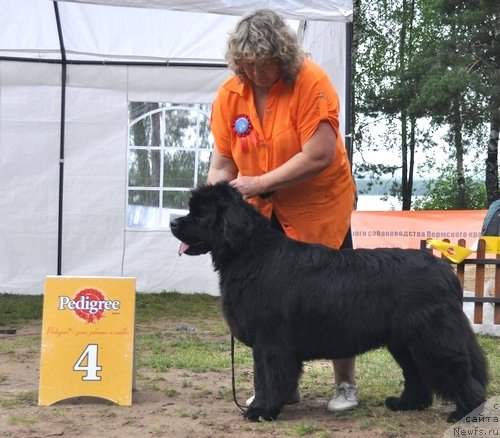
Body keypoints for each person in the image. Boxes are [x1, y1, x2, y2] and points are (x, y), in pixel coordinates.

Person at [207, 9, 359, 412]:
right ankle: (278, 386)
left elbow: (319, 154)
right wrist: (212, 208)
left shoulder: (311, 82)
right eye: (248, 64)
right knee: (268, 304)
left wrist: (259, 182)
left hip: (318, 205)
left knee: (334, 296)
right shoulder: (229, 95)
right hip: (260, 211)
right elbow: (222, 163)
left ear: (283, 56)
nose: (256, 72)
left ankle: (345, 385)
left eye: (265, 63)